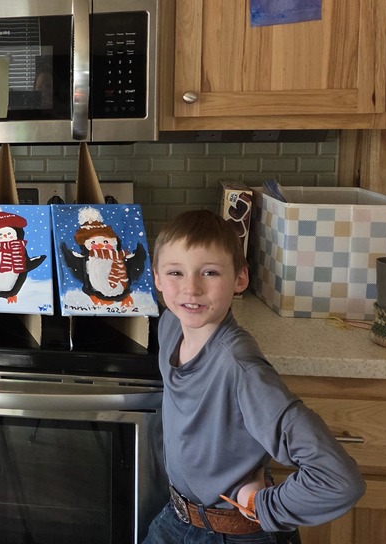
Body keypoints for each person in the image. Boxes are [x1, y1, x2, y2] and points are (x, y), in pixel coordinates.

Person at [144, 209, 365, 544]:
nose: (191, 288)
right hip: (177, 518)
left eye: (210, 272)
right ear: (157, 279)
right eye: (176, 272)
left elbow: (339, 480)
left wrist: (262, 505)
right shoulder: (171, 324)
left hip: (235, 532)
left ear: (240, 279)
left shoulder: (242, 370)